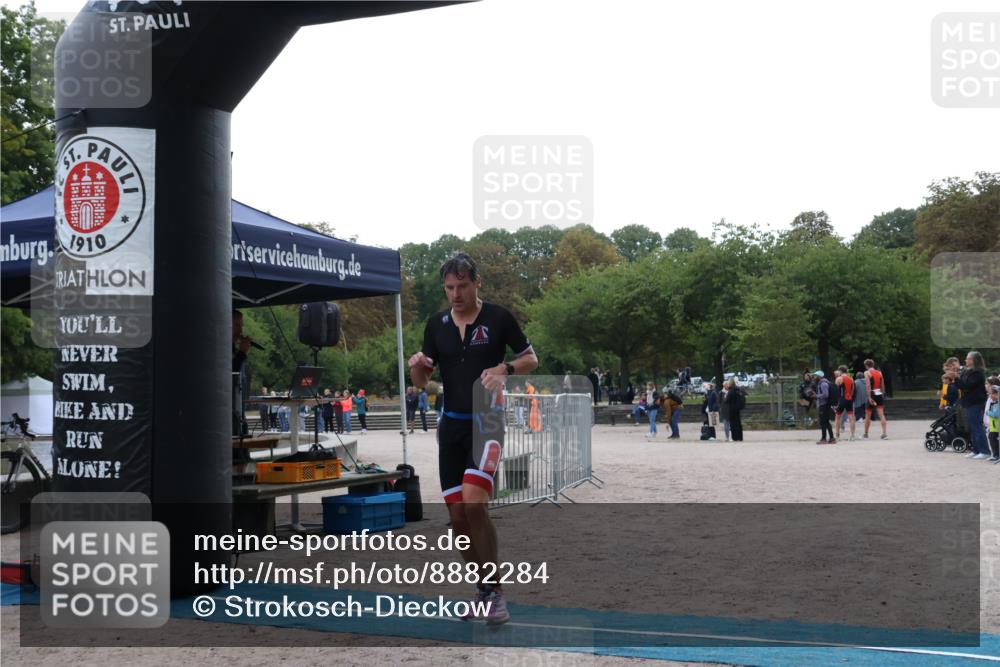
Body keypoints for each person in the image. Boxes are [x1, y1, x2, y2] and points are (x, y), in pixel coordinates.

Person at [409, 252, 538, 626]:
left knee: (475, 504)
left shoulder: (498, 318)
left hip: (487, 423)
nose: (455, 294)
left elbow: (531, 358)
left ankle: (496, 593)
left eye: (462, 286)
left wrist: (504, 368)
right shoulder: (436, 325)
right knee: (457, 517)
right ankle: (484, 589)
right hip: (450, 427)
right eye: (449, 288)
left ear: (476, 282)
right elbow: (421, 383)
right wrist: (417, 367)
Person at [946, 351, 990, 460]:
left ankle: (984, 451)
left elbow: (966, 386)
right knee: (972, 427)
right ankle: (975, 450)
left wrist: (956, 378)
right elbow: (960, 386)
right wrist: (955, 378)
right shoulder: (967, 371)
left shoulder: (978, 373)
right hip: (968, 402)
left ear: (973, 360)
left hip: (976, 402)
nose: (966, 360)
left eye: (968, 359)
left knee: (977, 427)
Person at [232, 309, 252, 437]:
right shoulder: (220, 348)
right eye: (237, 325)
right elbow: (230, 373)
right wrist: (242, 353)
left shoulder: (234, 349)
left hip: (238, 407)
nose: (240, 331)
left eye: (241, 326)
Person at [863, 359, 888, 440]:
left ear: (866, 365)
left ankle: (866, 434)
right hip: (879, 393)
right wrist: (883, 393)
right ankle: (884, 433)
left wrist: (869, 397)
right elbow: (882, 384)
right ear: (873, 365)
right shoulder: (879, 372)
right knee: (881, 414)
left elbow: (868, 385)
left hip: (872, 394)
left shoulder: (867, 373)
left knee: (868, 415)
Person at [833, 365, 856, 441]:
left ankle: (837, 436)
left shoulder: (839, 378)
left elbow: (835, 391)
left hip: (842, 399)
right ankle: (852, 436)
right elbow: (852, 391)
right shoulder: (851, 378)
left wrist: (835, 402)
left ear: (840, 371)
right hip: (849, 399)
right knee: (851, 418)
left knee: (837, 417)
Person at [815, 371, 836, 444]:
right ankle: (832, 438)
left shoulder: (823, 384)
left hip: (824, 405)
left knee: (823, 422)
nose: (815, 377)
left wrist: (817, 396)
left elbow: (825, 394)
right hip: (826, 405)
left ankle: (824, 438)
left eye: (816, 376)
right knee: (826, 422)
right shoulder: (825, 382)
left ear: (820, 376)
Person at [986, 385, 1000, 463]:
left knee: (992, 438)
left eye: (991, 394)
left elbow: (996, 414)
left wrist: (988, 412)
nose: (990, 396)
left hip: (996, 426)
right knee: (992, 438)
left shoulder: (998, 404)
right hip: (994, 426)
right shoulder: (995, 403)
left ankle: (996, 455)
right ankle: (995, 454)